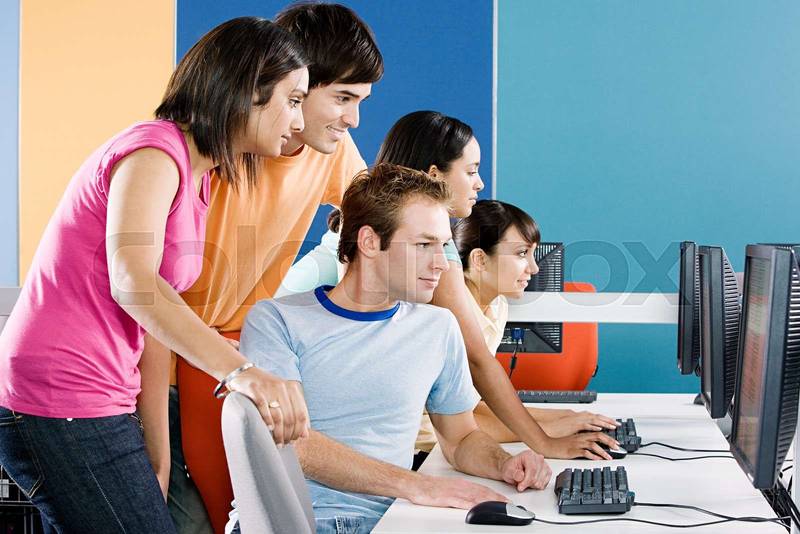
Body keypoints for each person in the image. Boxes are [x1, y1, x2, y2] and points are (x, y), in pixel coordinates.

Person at [0, 17, 311, 533]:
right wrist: (241, 370)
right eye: (293, 99)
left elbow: (157, 320)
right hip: (59, 392)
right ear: (246, 90)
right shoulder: (154, 152)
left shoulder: (199, 176)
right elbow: (134, 283)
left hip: (103, 395)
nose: (298, 121)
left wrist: (158, 455)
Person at [136, 4, 384, 533]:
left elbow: (386, 220)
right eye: (342, 98)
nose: (353, 119)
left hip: (237, 359)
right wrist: (156, 455)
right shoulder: (212, 157)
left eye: (360, 101)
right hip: (168, 362)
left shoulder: (331, 148)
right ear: (290, 84)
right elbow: (148, 303)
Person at [279, 110, 620, 461]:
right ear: (434, 176)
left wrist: (559, 422)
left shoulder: (401, 237)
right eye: (470, 171)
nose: (480, 184)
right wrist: (544, 442)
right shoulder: (394, 248)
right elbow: (477, 359)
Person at [233, 164, 552, 534]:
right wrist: (417, 485)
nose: (441, 263)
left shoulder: (438, 327)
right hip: (305, 521)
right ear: (370, 242)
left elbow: (461, 438)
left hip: (395, 519)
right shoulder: (275, 321)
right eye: (423, 245)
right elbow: (292, 443)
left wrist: (503, 464)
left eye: (443, 246)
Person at [453, 200, 618, 445]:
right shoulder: (451, 314)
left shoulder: (497, 306)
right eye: (522, 253)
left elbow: (472, 406)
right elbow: (450, 423)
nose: (534, 268)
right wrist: (549, 430)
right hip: (427, 454)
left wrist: (565, 416)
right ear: (480, 260)